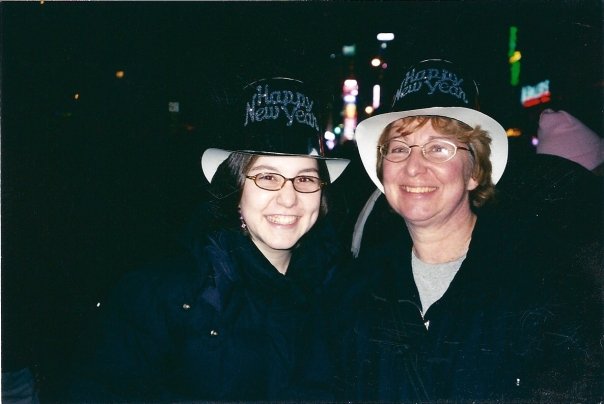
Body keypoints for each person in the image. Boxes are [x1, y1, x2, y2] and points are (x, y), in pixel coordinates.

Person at [329, 59, 602, 401]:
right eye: (399, 148)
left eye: (439, 148)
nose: (414, 167)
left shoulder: (542, 284)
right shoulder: (356, 289)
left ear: (474, 172)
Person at [66, 77, 350, 402]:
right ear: (236, 189)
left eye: (305, 178)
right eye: (268, 177)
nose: (289, 198)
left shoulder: (342, 292)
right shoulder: (166, 294)